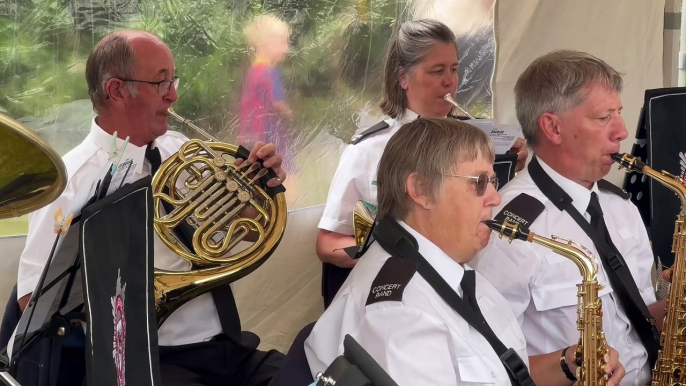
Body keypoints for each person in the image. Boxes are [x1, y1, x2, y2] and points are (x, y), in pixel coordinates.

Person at [15, 30, 287, 386]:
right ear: (116, 91)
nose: (173, 95)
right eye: (161, 83)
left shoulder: (180, 148)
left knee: (312, 373)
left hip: (227, 349)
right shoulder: (73, 183)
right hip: (149, 363)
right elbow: (31, 299)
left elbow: (244, 225)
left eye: (173, 80)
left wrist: (260, 187)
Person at [305, 117, 622, 385]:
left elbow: (505, 371)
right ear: (422, 191)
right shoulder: (400, 314)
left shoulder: (453, 269)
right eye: (480, 183)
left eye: (494, 181)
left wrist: (568, 364)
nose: (496, 199)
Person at [472, 50, 663, 386]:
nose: (620, 131)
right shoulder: (510, 228)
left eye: (619, 113)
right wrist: (569, 364)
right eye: (603, 118)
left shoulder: (620, 206)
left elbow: (642, 314)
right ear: (553, 128)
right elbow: (486, 360)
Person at [315, 19, 528, 307]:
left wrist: (512, 165)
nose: (449, 81)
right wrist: (386, 253)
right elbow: (328, 244)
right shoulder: (369, 150)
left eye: (454, 69)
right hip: (399, 298)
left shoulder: (479, 140)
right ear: (403, 78)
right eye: (437, 71)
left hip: (471, 288)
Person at [238, 14, 293, 167]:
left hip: (250, 137)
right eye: (282, 42)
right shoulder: (269, 72)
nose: (286, 48)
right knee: (285, 178)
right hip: (270, 137)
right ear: (265, 44)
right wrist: (290, 114)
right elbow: (277, 104)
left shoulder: (252, 70)